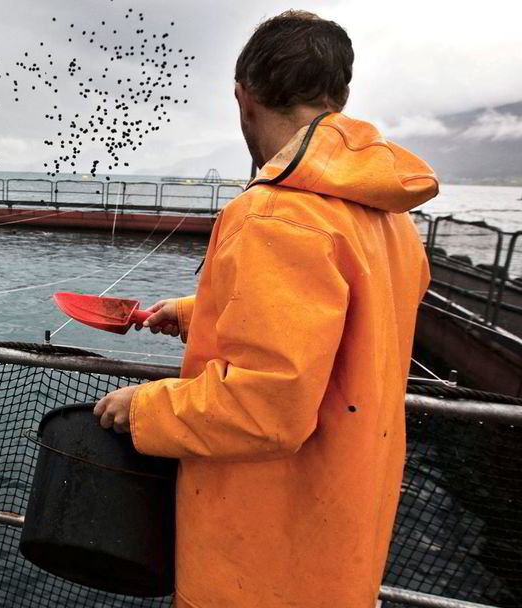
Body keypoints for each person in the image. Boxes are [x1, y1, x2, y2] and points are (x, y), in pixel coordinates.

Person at [93, 10, 437, 608]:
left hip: (261, 561)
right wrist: (201, 312)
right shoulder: (388, 218)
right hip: (339, 548)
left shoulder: (275, 214)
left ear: (242, 97)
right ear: (340, 95)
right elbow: (343, 334)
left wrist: (144, 407)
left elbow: (266, 408)